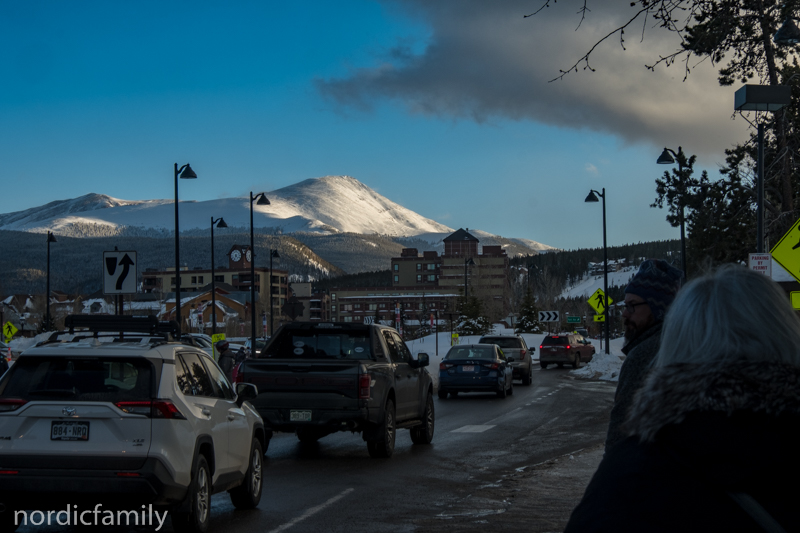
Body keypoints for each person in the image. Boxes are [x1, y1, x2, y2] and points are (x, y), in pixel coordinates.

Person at [565, 265, 800, 532]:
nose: (625, 313)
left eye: (632, 306)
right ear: (786, 332)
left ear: (676, 341)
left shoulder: (635, 475)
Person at [604, 259, 682, 450]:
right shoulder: (681, 344)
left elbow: (622, 429)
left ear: (657, 308)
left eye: (631, 305)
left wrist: (611, 470)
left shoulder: (644, 355)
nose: (624, 313)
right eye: (625, 305)